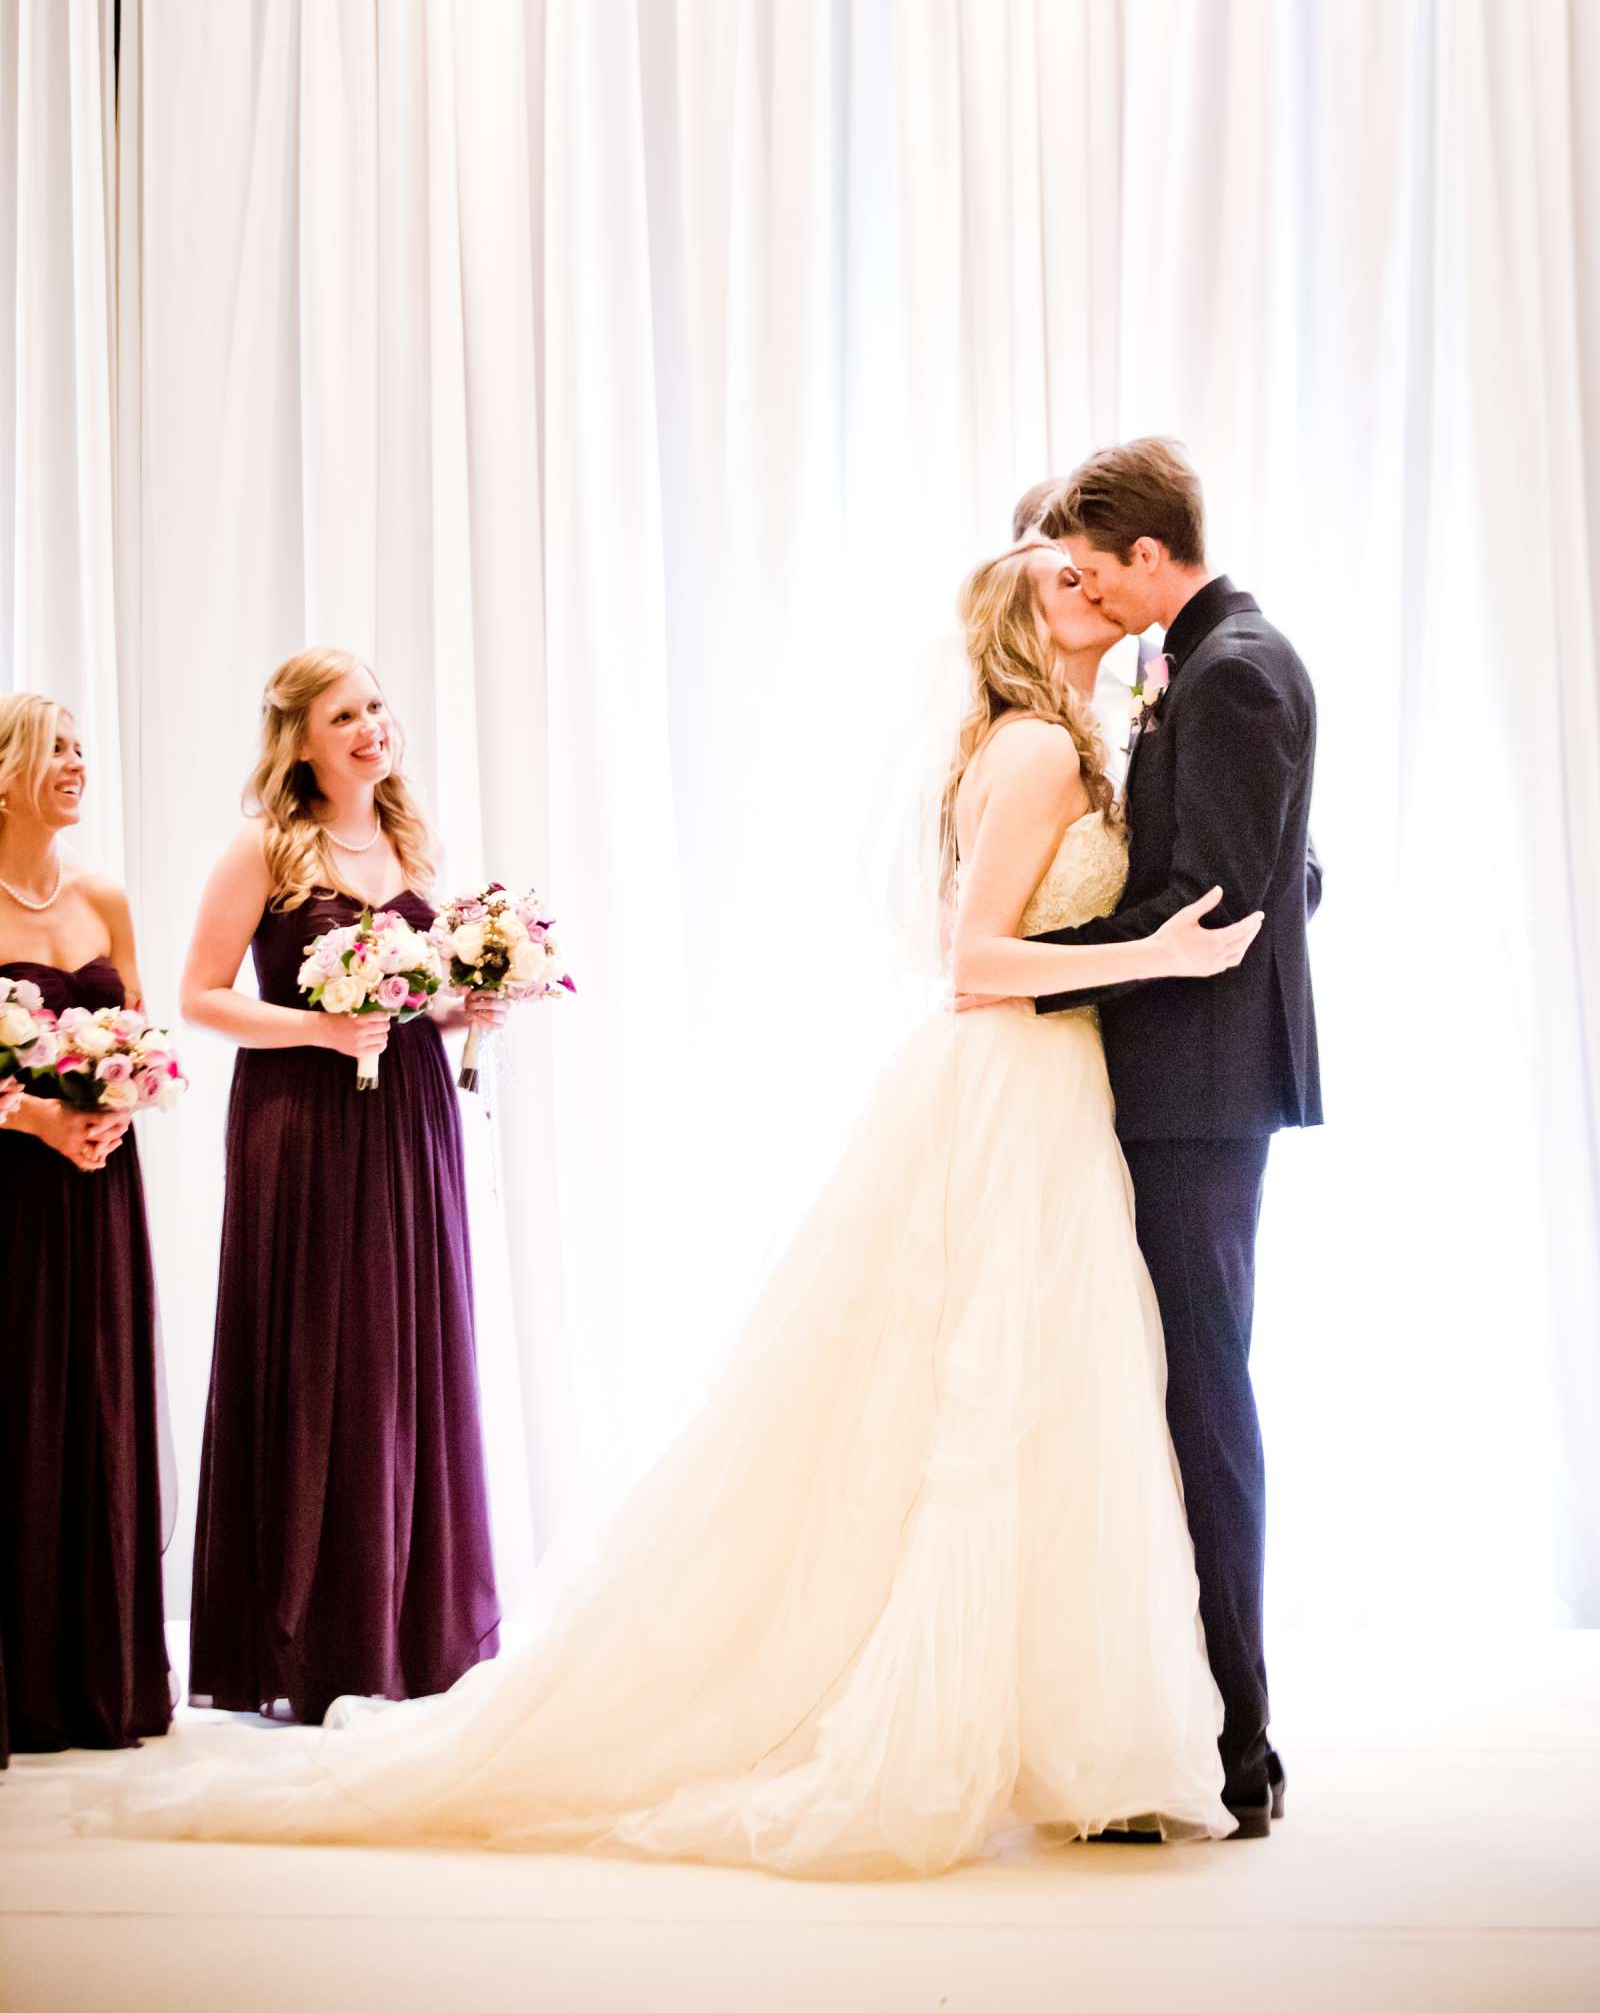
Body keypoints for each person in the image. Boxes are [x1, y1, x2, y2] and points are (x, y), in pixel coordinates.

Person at [90, 547, 1262, 1876]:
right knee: (993, 1399)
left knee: (1043, 1395)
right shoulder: (1037, 752)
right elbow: (971, 964)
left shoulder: (1050, 739)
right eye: (1064, 581)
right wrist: (1156, 955)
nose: (1092, 587)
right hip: (1008, 1081)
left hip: (1044, 1094)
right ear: (1021, 622)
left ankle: (1054, 1722)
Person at [1001, 438, 1321, 1839]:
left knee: (1204, 1404)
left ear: (1149, 555)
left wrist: (1020, 967)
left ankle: (1242, 1745)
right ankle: (1183, 1720)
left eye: (1098, 566)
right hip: (1185, 1083)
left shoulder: (1232, 669)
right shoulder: (1209, 662)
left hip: (1196, 1097)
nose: (1092, 592)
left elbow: (1227, 901)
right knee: (1164, 1397)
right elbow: (1290, 870)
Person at [183, 650, 504, 1725]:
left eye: (374, 707)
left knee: (406, 1349)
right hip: (304, 1126)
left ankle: (410, 1629)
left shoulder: (413, 841)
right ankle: (309, 1636)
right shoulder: (268, 850)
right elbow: (201, 997)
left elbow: (421, 995)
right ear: (302, 742)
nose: (371, 727)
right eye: (343, 715)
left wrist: (467, 1011)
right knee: (328, 1349)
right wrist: (318, 1030)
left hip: (411, 1114)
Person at [0, 692, 171, 1760]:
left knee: (96, 1407)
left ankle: (91, 1678)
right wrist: (37, 1120)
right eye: (53, 748)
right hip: (10, 1189)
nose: (75, 763)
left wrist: (119, 1103)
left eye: (80, 748)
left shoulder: (103, 893)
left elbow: (143, 1034)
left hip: (100, 1186)